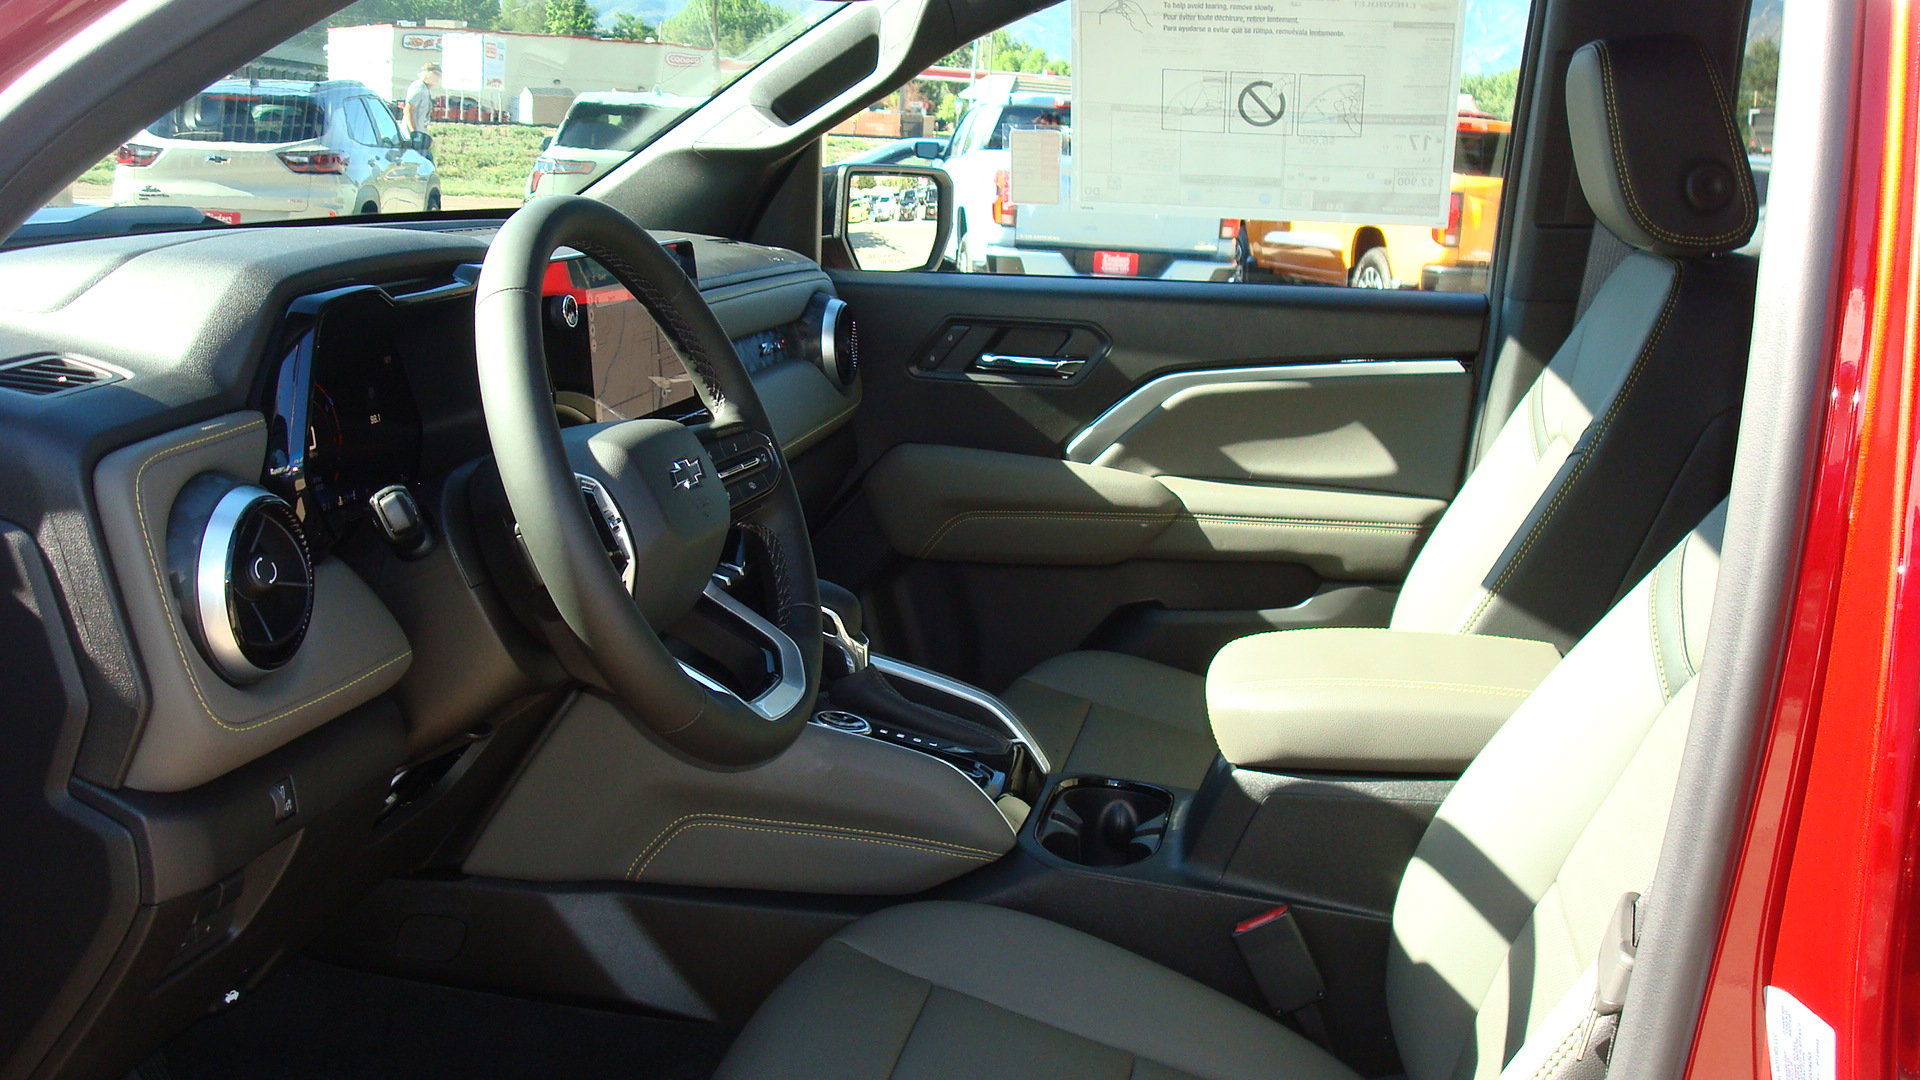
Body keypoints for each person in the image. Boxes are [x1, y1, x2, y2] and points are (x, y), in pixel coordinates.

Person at [401, 62, 439, 138]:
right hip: (410, 136)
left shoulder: (425, 89)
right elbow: (408, 109)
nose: (439, 78)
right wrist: (414, 132)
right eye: (437, 74)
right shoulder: (419, 87)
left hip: (419, 134)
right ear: (429, 74)